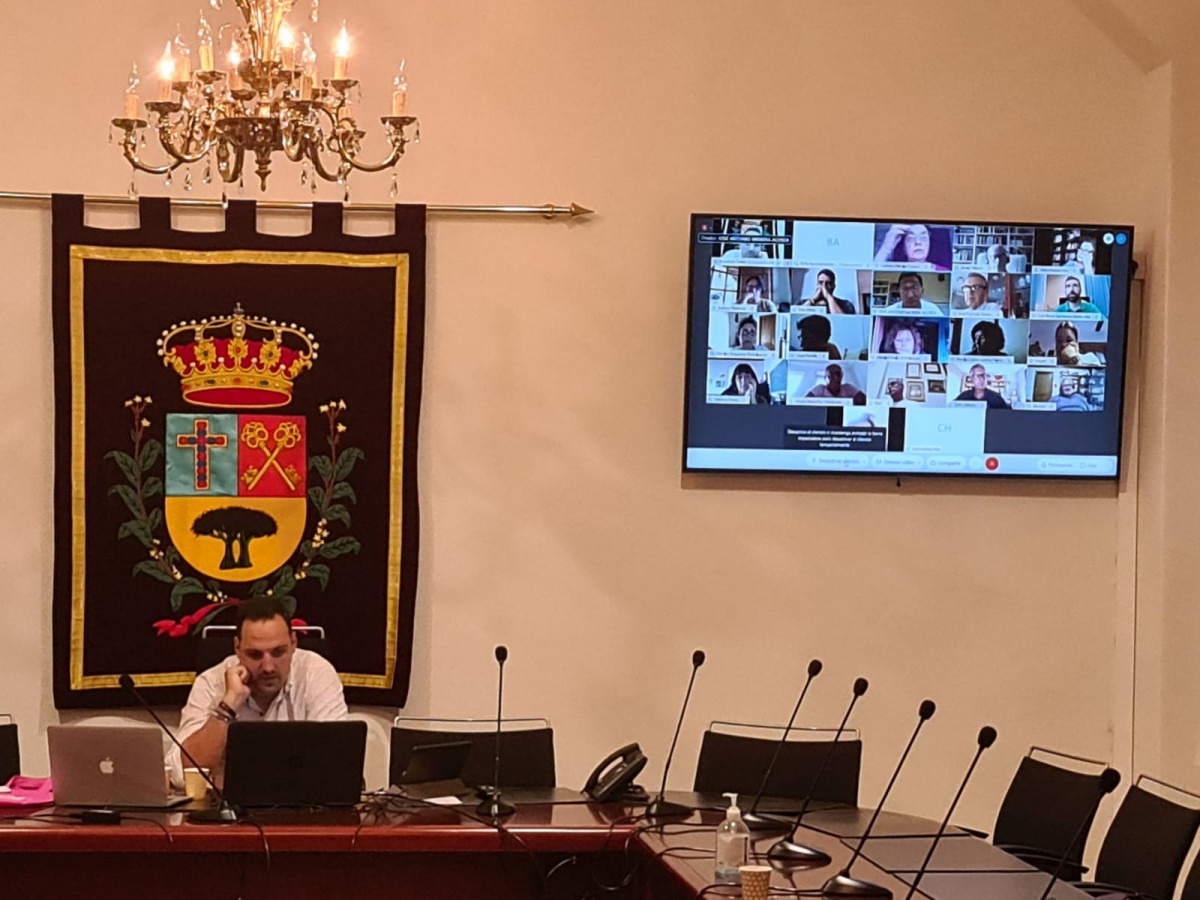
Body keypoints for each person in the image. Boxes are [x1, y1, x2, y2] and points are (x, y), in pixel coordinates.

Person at [175, 596, 347, 779]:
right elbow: (181, 772)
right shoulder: (211, 682)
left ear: (294, 643)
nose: (268, 667)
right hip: (227, 806)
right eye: (255, 655)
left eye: (278, 652)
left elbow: (335, 761)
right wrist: (228, 704)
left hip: (303, 804)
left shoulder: (316, 673)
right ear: (237, 648)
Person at [874, 223, 950, 270]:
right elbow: (871, 275)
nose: (918, 242)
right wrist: (885, 248)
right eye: (911, 238)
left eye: (923, 237)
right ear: (904, 247)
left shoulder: (942, 270)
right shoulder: (891, 268)